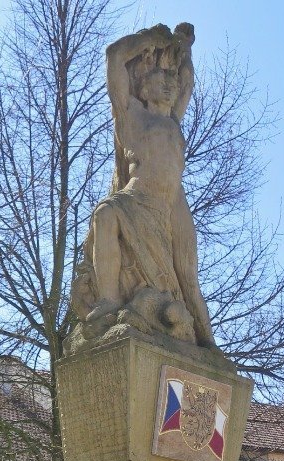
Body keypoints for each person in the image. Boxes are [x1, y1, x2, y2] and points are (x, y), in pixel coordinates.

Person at [71, 23, 218, 350]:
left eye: (172, 79)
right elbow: (114, 58)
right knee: (106, 215)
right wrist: (150, 39)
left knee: (188, 278)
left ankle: (208, 346)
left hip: (171, 207)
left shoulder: (174, 122)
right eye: (161, 78)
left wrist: (185, 47)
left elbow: (188, 83)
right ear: (142, 83)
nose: (170, 85)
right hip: (137, 199)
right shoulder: (132, 116)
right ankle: (107, 304)